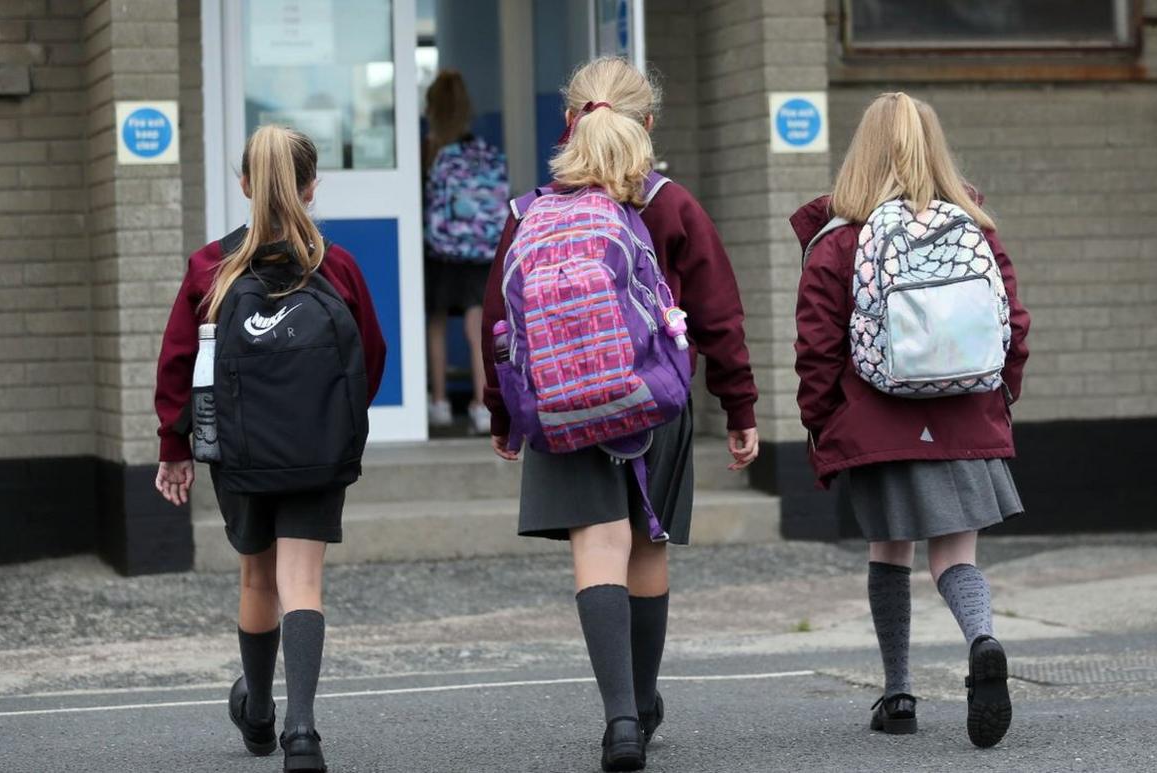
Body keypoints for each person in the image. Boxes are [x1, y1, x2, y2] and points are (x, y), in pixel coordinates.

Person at [482, 57, 759, 771]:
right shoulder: (668, 203)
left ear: (568, 124)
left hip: (558, 403)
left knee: (596, 549)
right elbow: (719, 313)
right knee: (647, 545)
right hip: (651, 402)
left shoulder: (527, 213)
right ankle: (641, 699)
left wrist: (502, 415)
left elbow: (498, 322)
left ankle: (619, 722)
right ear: (650, 124)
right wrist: (739, 405)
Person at [791, 92, 1031, 749]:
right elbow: (1013, 323)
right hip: (967, 414)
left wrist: (823, 422)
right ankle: (981, 638)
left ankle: (898, 693)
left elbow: (817, 345)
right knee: (955, 554)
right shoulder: (973, 225)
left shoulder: (838, 240)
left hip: (878, 418)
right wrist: (1000, 397)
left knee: (887, 548)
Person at [153, 126, 386, 773]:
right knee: (302, 580)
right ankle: (302, 732)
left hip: (241, 452)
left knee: (257, 576)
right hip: (315, 448)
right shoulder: (337, 266)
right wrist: (337, 425)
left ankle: (259, 710)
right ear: (312, 187)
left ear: (245, 186)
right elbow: (370, 354)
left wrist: (175, 447)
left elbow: (179, 367)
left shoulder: (212, 268)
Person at [422, 70, 507, 434]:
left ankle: (439, 402)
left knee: (437, 322)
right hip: (483, 248)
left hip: (443, 250)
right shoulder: (484, 151)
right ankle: (481, 405)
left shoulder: (432, 150)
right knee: (477, 326)